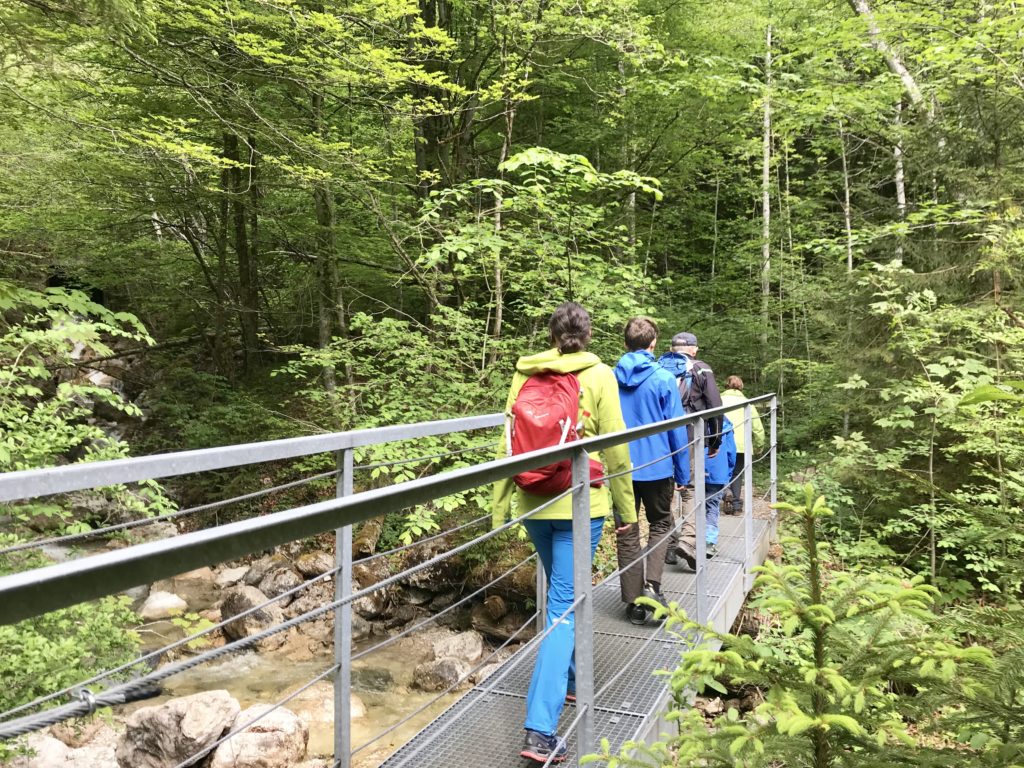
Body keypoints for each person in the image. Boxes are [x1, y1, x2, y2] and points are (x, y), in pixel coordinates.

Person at [492, 301, 635, 765]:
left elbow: (507, 443)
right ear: (587, 335)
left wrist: (500, 507)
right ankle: (540, 732)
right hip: (581, 504)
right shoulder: (600, 375)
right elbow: (615, 446)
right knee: (563, 611)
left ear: (552, 335)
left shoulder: (525, 373)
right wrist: (625, 508)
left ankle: (570, 681)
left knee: (562, 597)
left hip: (533, 502)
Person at [612, 317, 690, 624]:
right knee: (660, 524)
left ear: (625, 343)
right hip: (657, 466)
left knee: (626, 531)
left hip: (620, 468)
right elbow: (676, 430)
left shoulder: (610, 377)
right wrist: (683, 473)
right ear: (654, 343)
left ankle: (633, 602)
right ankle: (652, 585)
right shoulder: (663, 378)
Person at [657, 332, 724, 567]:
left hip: (661, 437)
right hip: (689, 434)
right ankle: (687, 540)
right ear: (694, 349)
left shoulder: (658, 367)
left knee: (665, 489)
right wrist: (715, 440)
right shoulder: (702, 369)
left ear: (672, 348)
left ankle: (670, 539)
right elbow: (715, 406)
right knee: (691, 488)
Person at [720, 375, 765, 514]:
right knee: (737, 474)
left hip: (721, 443)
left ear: (726, 385)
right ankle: (737, 506)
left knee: (721, 472)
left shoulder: (718, 400)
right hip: (741, 445)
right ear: (741, 386)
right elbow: (758, 428)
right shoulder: (748, 404)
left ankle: (725, 493)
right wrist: (759, 446)